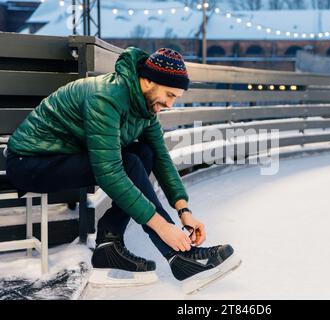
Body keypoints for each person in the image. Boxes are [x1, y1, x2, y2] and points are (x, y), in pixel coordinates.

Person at [5, 47, 241, 294]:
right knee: (129, 164)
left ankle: (109, 245)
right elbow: (109, 172)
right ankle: (180, 257)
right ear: (149, 81)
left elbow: (161, 157)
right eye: (169, 95)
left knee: (144, 154)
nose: (170, 104)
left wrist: (184, 210)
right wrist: (162, 226)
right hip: (31, 162)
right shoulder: (106, 97)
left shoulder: (144, 105)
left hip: (65, 156)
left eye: (176, 98)